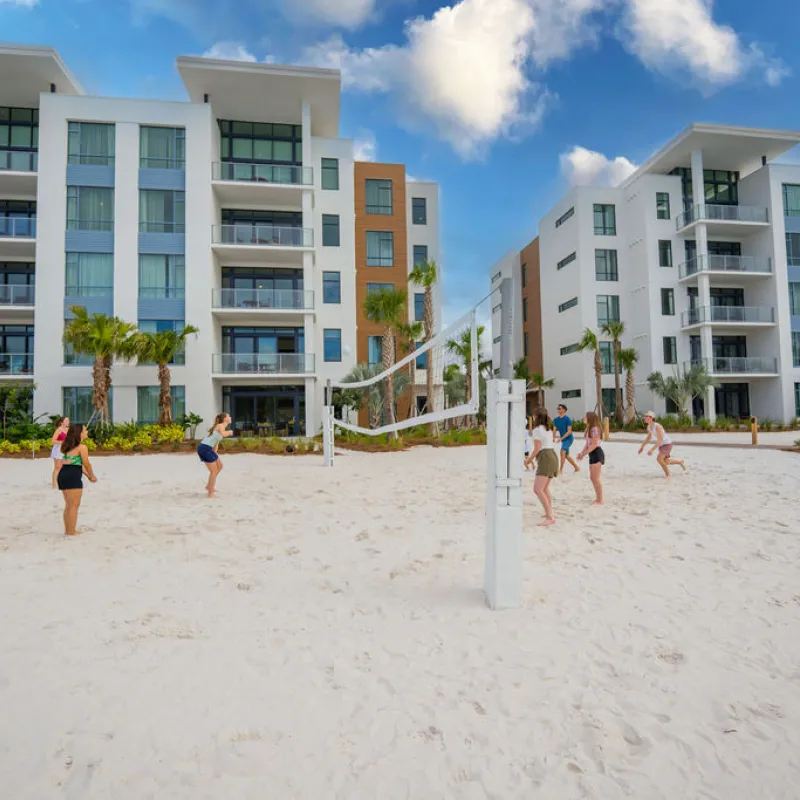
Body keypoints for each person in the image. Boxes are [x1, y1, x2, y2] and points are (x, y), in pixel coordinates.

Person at [57, 423, 97, 536]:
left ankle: (68, 529)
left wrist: (88, 476)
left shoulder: (66, 445)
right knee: (74, 505)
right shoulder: (82, 448)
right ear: (79, 433)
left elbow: (75, 464)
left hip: (63, 474)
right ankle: (71, 531)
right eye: (85, 430)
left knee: (69, 505)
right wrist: (92, 475)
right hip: (72, 476)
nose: (87, 432)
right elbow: (86, 464)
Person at [524, 407, 559, 526]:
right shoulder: (547, 429)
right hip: (553, 456)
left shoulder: (537, 430)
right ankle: (549, 512)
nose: (533, 418)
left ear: (537, 417)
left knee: (538, 489)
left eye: (534, 416)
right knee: (544, 488)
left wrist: (528, 460)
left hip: (546, 457)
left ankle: (550, 517)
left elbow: (537, 449)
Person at [639, 411, 686, 479]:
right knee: (666, 461)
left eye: (647, 416)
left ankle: (668, 475)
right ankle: (680, 462)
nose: (645, 417)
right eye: (645, 416)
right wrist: (642, 447)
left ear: (651, 418)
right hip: (662, 445)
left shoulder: (657, 426)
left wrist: (652, 450)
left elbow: (660, 440)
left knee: (659, 459)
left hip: (667, 444)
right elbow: (648, 438)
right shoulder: (649, 427)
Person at [197, 413, 233, 498]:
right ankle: (210, 492)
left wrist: (215, 454)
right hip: (204, 448)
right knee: (214, 471)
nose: (230, 417)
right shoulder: (220, 426)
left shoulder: (221, 427)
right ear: (224, 419)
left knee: (220, 466)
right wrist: (230, 432)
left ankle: (209, 485)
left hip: (209, 449)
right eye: (228, 416)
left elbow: (216, 442)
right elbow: (223, 434)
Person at [576, 411, 604, 506]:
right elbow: (587, 444)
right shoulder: (589, 429)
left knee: (596, 479)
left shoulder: (595, 429)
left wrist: (583, 454)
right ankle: (598, 498)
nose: (583, 418)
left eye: (585, 417)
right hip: (592, 453)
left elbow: (594, 444)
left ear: (590, 418)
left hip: (597, 453)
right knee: (592, 478)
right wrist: (581, 453)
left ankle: (599, 500)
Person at [552, 404, 580, 476]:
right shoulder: (556, 419)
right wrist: (553, 438)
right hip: (563, 440)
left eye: (560, 408)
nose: (558, 410)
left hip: (569, 438)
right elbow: (554, 429)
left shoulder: (567, 419)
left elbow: (569, 431)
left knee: (562, 452)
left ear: (564, 410)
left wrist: (560, 438)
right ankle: (576, 467)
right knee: (566, 456)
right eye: (558, 408)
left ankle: (560, 470)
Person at [50, 415, 69, 489]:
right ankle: (54, 484)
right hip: (58, 450)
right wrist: (62, 442)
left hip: (66, 450)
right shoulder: (58, 430)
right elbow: (53, 441)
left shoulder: (68, 429)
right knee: (57, 467)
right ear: (61, 422)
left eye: (68, 420)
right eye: (66, 420)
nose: (68, 422)